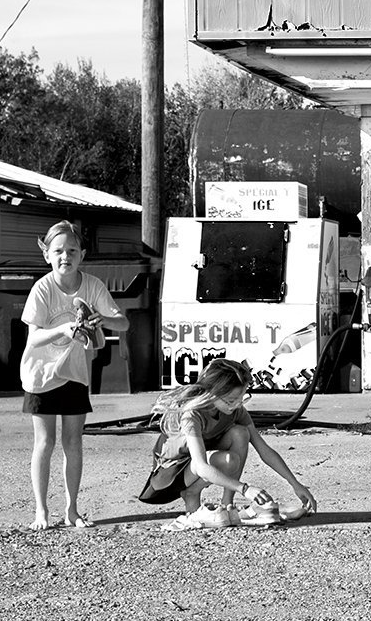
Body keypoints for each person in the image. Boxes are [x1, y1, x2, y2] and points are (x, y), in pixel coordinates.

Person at [21, 220, 128, 529]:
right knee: (45, 443)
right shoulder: (42, 289)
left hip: (75, 375)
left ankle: (72, 510)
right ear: (47, 255)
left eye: (71, 250)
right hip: (40, 375)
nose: (64, 256)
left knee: (73, 442)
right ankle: (41, 511)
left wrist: (102, 319)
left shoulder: (92, 285)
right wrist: (62, 329)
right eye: (58, 251)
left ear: (82, 254)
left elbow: (122, 323)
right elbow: (33, 338)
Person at [142, 358, 319, 530]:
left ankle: (227, 504)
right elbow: (201, 466)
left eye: (241, 398)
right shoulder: (192, 415)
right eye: (230, 400)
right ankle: (191, 493)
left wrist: (295, 484)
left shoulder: (235, 411)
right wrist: (245, 489)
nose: (236, 405)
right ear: (211, 393)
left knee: (241, 433)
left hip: (195, 467)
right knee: (228, 460)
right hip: (168, 479)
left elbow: (264, 449)